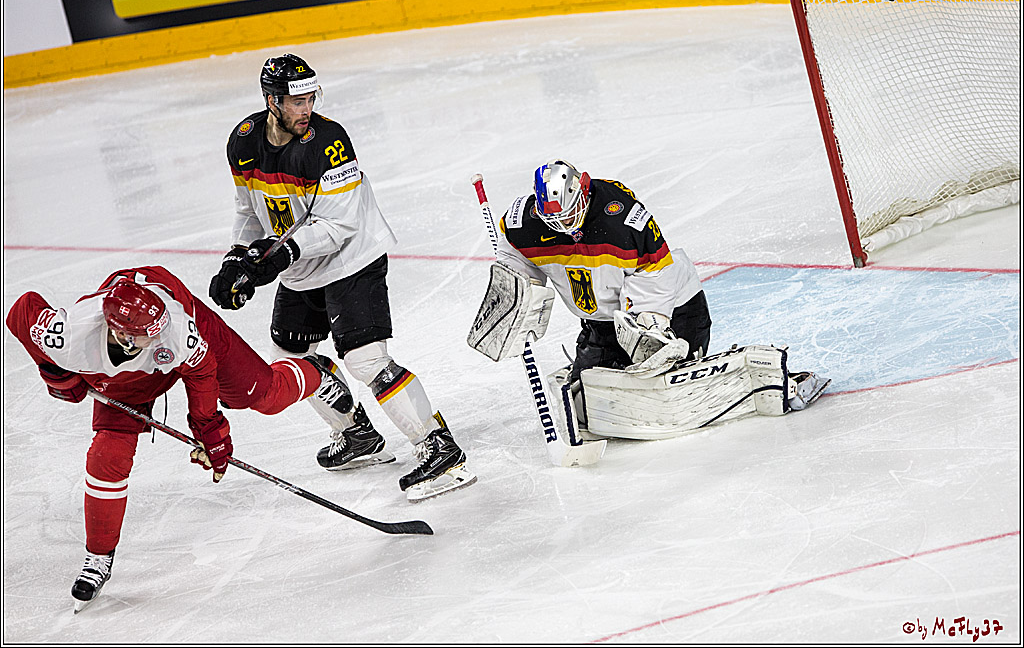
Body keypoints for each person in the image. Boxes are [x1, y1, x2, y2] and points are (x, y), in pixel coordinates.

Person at [5, 265, 359, 612]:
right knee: (106, 457)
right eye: (149, 335)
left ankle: (316, 372)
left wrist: (209, 430)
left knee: (261, 395)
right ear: (121, 334)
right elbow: (22, 311)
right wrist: (56, 372)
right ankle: (98, 557)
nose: (159, 336)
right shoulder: (68, 333)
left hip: (191, 330)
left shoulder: (176, 330)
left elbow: (202, 372)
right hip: (126, 379)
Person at [208, 53, 475, 502]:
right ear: (271, 101)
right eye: (296, 101)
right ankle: (356, 435)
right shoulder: (244, 140)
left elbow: (338, 226)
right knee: (292, 354)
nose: (306, 108)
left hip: (353, 258)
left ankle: (438, 447)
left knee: (366, 360)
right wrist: (238, 258)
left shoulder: (328, 141)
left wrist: (275, 257)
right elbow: (248, 209)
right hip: (300, 265)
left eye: (310, 97)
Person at [468, 159, 830, 443]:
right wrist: (517, 302)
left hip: (673, 311)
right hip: (602, 325)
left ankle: (775, 380)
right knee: (591, 406)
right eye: (554, 219)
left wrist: (648, 332)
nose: (566, 227)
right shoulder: (521, 223)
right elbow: (517, 264)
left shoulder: (623, 216)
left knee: (670, 392)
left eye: (570, 212)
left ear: (584, 188)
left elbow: (657, 277)